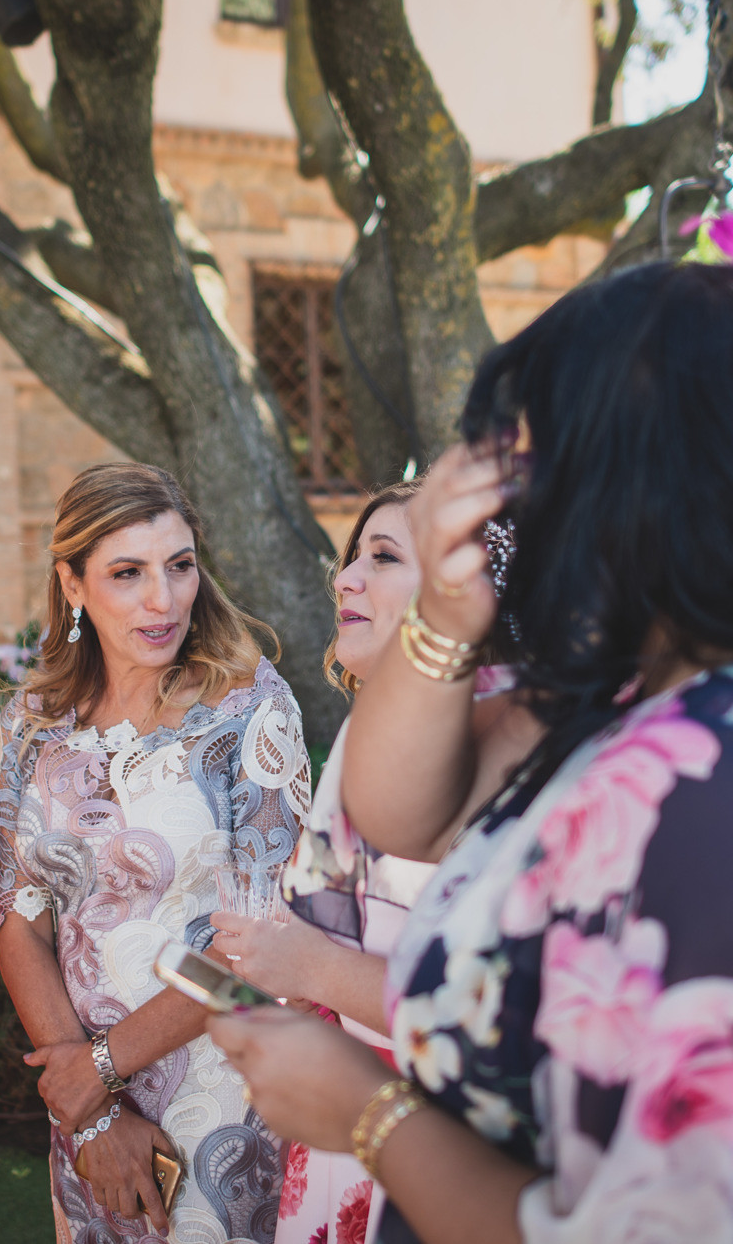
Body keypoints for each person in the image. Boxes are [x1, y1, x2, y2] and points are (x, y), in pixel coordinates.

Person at [210, 228, 733, 1244]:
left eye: (534, 468)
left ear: (626, 487)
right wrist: (440, 611)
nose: (512, 510)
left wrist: (368, 1114)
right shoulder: (639, 703)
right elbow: (400, 812)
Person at [0, 461, 310, 1242]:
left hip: (227, 1091)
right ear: (72, 583)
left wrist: (96, 1071)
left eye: (180, 565)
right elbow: (15, 912)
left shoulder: (251, 708)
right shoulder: (35, 720)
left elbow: (267, 941)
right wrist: (93, 1113)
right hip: (85, 1106)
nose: (163, 600)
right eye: (127, 573)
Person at [209, 483, 539, 1244]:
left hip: (441, 1145)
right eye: (352, 558)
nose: (344, 577)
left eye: (382, 557)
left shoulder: (504, 750)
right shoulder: (375, 728)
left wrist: (313, 968)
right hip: (340, 1130)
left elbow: (507, 1022)